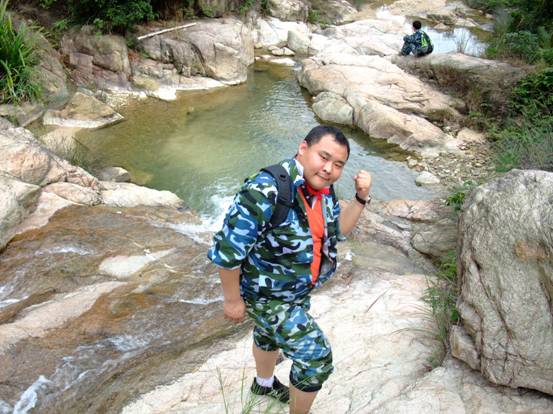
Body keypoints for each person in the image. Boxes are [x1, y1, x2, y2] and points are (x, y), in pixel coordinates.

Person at [207, 125, 372, 414]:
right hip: (266, 295)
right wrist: (232, 300)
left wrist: (360, 198)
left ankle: (264, 384)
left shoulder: (323, 189)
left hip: (293, 290)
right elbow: (227, 250)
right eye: (324, 157)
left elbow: (336, 231)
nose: (329, 169)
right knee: (316, 359)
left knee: (268, 335)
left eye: (338, 165)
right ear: (303, 148)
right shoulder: (266, 189)